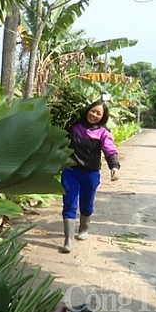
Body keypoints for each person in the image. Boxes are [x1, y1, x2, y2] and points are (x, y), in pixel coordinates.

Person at [60, 100, 120, 253]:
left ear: (103, 117)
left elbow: (110, 150)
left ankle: (84, 227)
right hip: (71, 171)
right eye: (92, 111)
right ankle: (68, 240)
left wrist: (114, 166)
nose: (94, 115)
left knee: (87, 203)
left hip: (90, 173)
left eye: (98, 113)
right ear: (87, 110)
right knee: (69, 202)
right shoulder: (73, 126)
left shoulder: (103, 133)